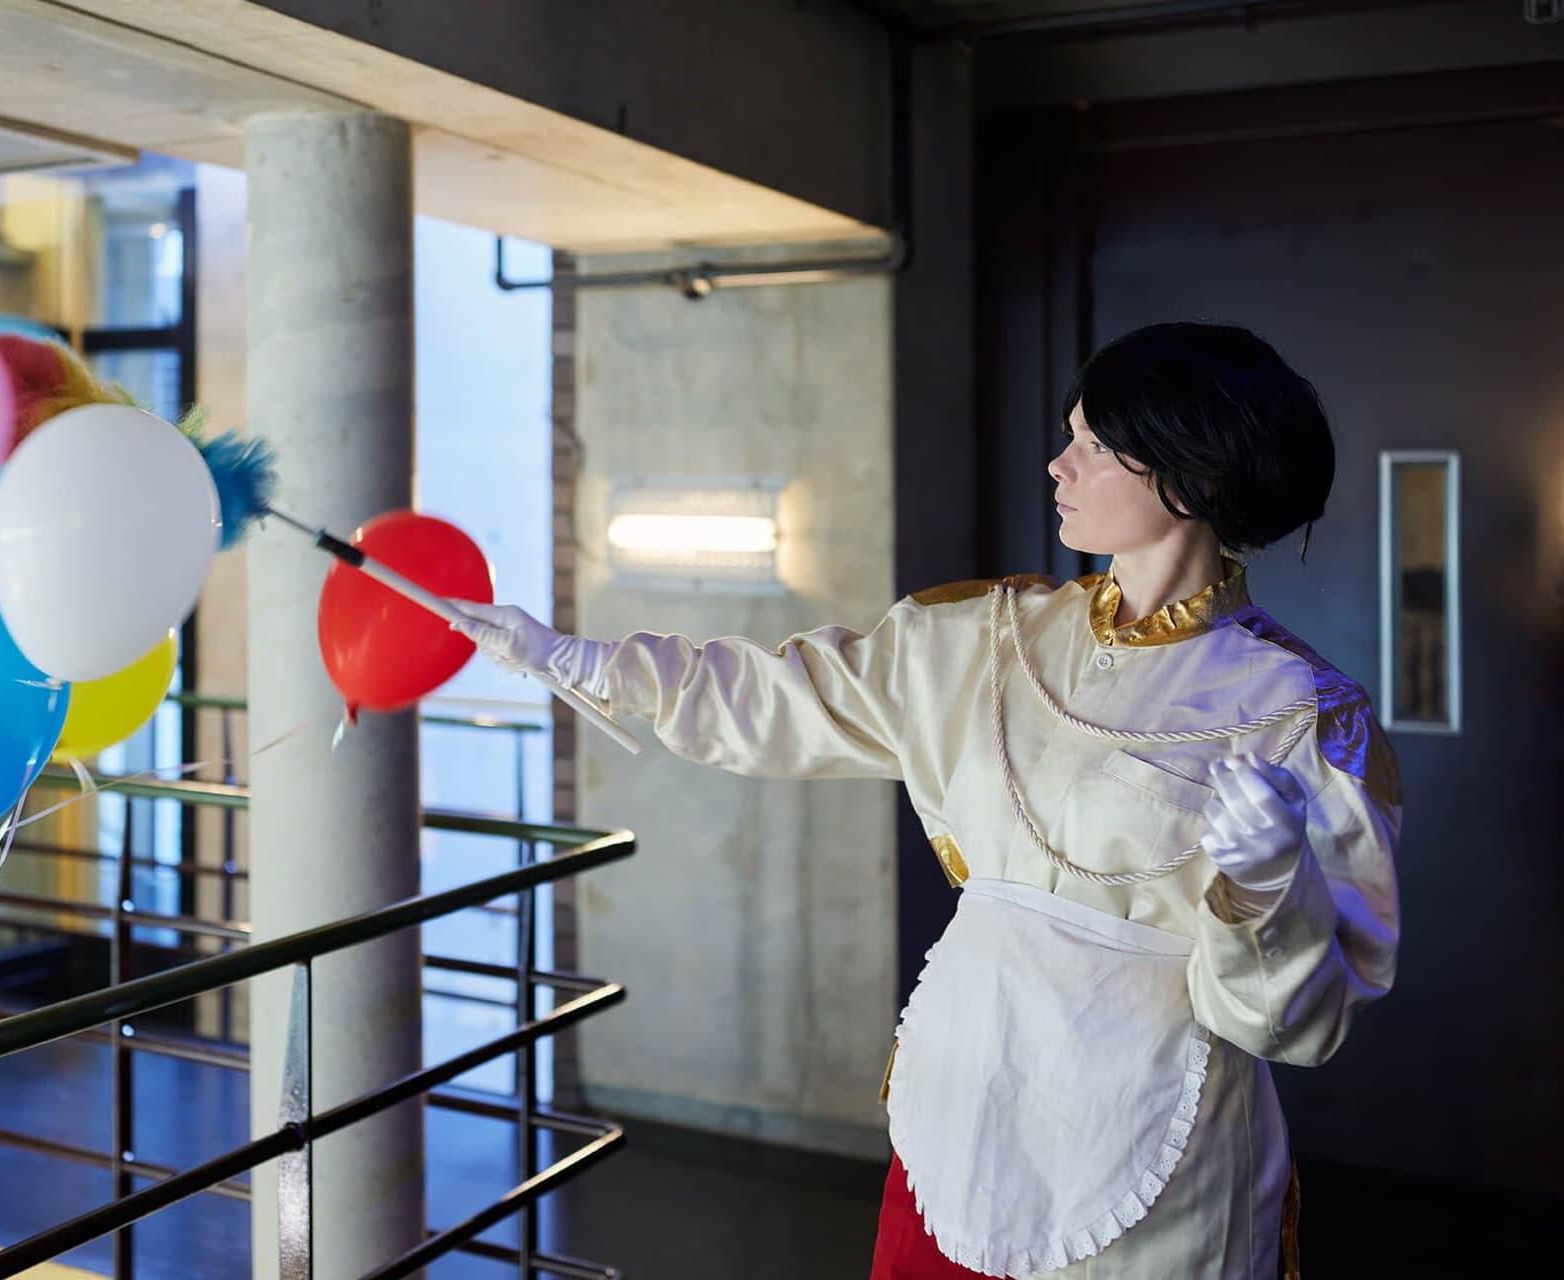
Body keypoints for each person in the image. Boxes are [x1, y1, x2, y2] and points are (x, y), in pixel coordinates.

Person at [448, 321, 1401, 1280]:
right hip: (965, 1097)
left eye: (1095, 446)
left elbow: (1295, 1025)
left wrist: (1268, 889)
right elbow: (788, 701)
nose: (1057, 464)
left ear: (1187, 479)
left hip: (1151, 1139)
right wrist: (579, 661)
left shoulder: (1302, 714)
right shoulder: (985, 637)